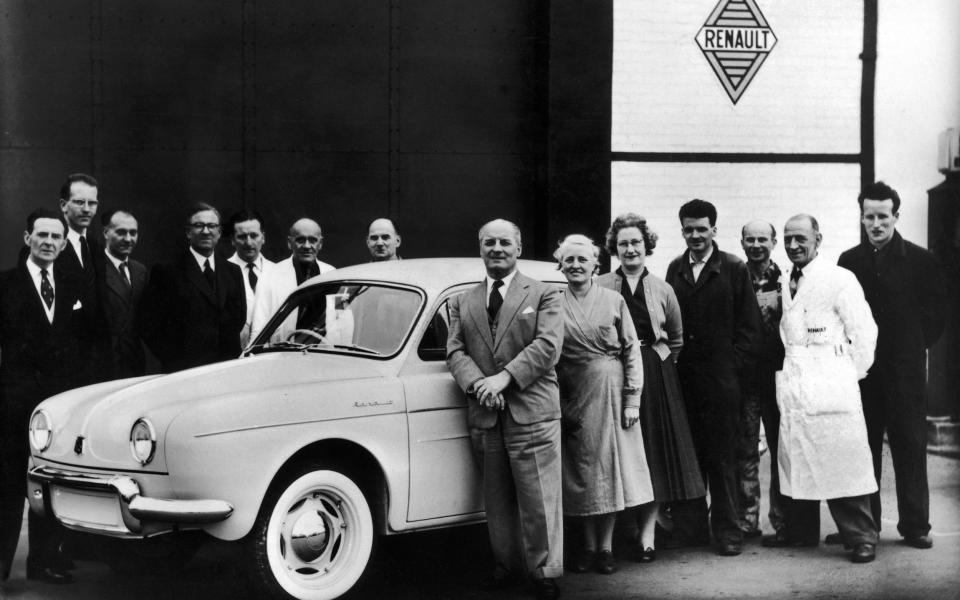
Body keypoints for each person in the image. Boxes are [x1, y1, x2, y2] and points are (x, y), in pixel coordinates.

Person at [446, 219, 564, 600]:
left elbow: (548, 346)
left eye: (504, 242)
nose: (497, 248)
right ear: (480, 248)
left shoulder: (545, 293)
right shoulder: (462, 300)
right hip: (485, 412)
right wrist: (480, 384)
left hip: (531, 409)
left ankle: (543, 571)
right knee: (495, 499)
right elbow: (455, 351)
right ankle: (506, 565)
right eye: (489, 242)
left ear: (519, 247)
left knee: (538, 498)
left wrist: (504, 379)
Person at [836, 182, 946, 549]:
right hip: (864, 376)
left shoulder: (921, 261)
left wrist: (909, 349)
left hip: (906, 374)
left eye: (883, 216)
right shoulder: (849, 263)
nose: (876, 223)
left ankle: (915, 526)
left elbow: (936, 319)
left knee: (910, 448)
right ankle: (866, 527)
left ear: (896, 217)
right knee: (863, 448)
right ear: (862, 218)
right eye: (870, 216)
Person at [597, 214, 704, 563]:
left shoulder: (663, 288)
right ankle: (617, 534)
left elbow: (675, 338)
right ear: (615, 248)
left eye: (636, 243)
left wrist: (655, 364)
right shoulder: (600, 286)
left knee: (653, 452)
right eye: (624, 243)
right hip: (615, 374)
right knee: (621, 451)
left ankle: (647, 537)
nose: (630, 249)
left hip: (656, 376)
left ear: (647, 247)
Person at [774, 214, 879, 563]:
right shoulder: (785, 279)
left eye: (801, 238)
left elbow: (864, 332)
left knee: (843, 459)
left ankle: (862, 537)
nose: (793, 245)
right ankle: (802, 533)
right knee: (800, 456)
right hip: (797, 378)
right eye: (788, 238)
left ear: (818, 239)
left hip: (832, 378)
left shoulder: (838, 278)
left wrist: (849, 372)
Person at [1, 210, 97, 584]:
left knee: (51, 481)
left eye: (56, 237)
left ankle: (43, 563)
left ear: (62, 241)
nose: (49, 242)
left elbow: (83, 343)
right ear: (27, 238)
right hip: (13, 402)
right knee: (8, 483)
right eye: (41, 235)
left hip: (57, 406)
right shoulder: (6, 284)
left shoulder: (73, 284)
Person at [664, 199, 762, 556]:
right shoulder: (675, 268)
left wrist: (732, 370)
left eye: (701, 229)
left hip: (722, 384)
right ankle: (691, 529)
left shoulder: (734, 269)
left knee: (723, 459)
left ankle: (728, 531)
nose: (695, 235)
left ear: (714, 230)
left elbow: (750, 331)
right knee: (689, 457)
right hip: (685, 382)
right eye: (689, 229)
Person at [554, 234, 653, 575]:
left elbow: (631, 352)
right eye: (570, 260)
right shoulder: (553, 302)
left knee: (608, 468)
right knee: (580, 471)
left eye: (583, 260)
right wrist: (558, 403)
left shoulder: (613, 300)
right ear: (561, 265)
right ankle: (587, 547)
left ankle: (607, 549)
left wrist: (632, 400)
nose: (576, 266)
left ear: (596, 264)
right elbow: (548, 356)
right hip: (573, 395)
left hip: (612, 393)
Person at [137, 203, 246, 372]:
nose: (205, 231)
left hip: (225, 369)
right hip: (184, 371)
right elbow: (149, 324)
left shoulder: (233, 271)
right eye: (198, 226)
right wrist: (174, 360)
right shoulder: (167, 271)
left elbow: (238, 319)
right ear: (188, 232)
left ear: (219, 232)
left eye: (211, 226)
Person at [739, 220, 787, 542]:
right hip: (745, 378)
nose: (756, 245)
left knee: (782, 448)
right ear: (742, 243)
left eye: (762, 239)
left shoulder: (787, 281)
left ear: (774, 242)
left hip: (780, 376)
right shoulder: (734, 278)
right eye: (750, 239)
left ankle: (782, 521)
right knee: (745, 449)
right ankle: (746, 520)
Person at [249, 218, 335, 344]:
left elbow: (341, 324)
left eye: (313, 240)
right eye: (300, 240)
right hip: (284, 353)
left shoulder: (331, 274)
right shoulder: (270, 275)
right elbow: (259, 325)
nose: (307, 246)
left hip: (323, 352)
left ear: (320, 243)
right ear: (290, 243)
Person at [96, 209, 148, 379]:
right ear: (105, 232)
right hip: (104, 364)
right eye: (121, 232)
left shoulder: (140, 271)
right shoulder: (93, 269)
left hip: (135, 363)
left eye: (133, 233)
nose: (128, 239)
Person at [226, 210, 275, 348]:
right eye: (242, 236)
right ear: (232, 240)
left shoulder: (277, 272)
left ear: (263, 237)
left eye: (254, 235)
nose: (248, 242)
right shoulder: (222, 272)